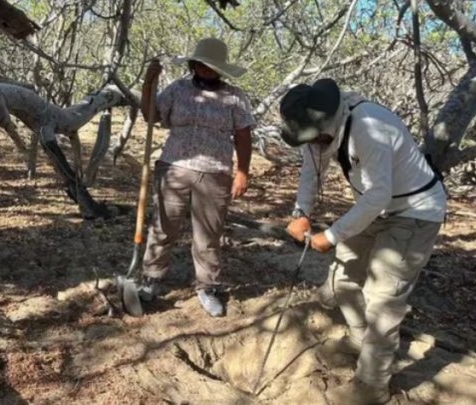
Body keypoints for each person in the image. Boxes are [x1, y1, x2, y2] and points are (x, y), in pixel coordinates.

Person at [280, 78, 446, 404]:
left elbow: (378, 194)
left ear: (326, 125)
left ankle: (371, 387)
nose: (312, 145)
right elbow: (311, 171)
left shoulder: (368, 127)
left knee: (383, 298)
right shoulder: (319, 133)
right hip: (375, 208)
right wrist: (302, 211)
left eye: (313, 139)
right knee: (342, 279)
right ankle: (360, 339)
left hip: (414, 210)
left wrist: (331, 235)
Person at [137, 38, 254, 317]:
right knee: (164, 226)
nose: (206, 70)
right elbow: (150, 115)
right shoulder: (177, 89)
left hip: (215, 172)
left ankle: (207, 286)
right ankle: (150, 278)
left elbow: (243, 135)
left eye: (212, 66)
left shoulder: (234, 97)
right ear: (193, 64)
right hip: (174, 166)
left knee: (208, 235)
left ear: (221, 69)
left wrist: (243, 172)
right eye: (201, 64)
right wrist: (147, 86)